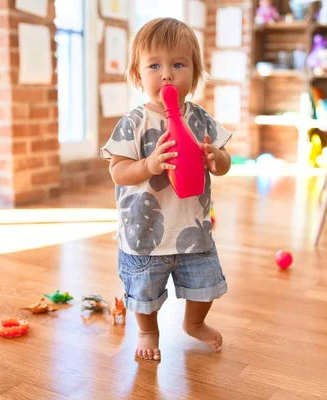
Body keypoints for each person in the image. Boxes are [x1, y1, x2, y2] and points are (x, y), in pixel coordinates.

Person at [100, 17, 232, 361]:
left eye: (178, 64)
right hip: (145, 233)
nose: (167, 74)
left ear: (195, 72)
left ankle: (194, 323)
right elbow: (118, 171)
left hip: (192, 230)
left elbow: (225, 163)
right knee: (144, 291)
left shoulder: (200, 119)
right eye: (155, 65)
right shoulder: (133, 122)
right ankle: (147, 330)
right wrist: (148, 165)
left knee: (204, 286)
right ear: (138, 74)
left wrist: (214, 157)